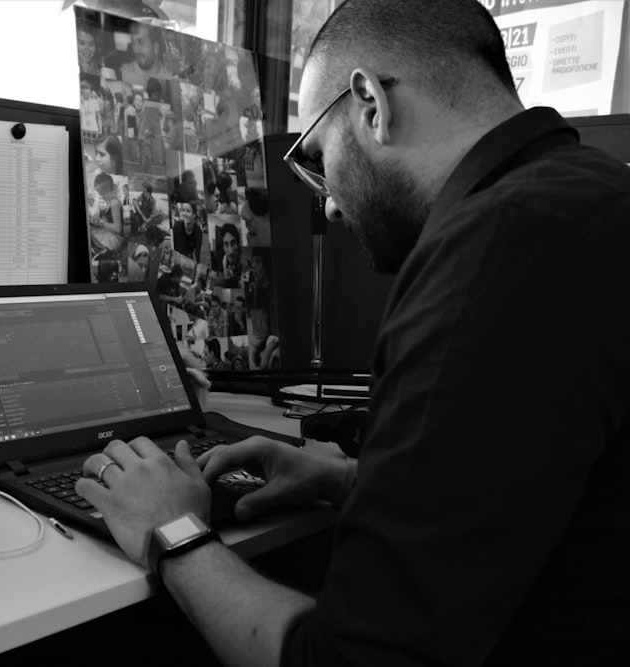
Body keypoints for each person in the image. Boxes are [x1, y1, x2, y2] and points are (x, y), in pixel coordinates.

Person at [74, 0, 630, 665]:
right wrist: (348, 478)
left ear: (370, 103)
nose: (330, 203)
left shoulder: (494, 257)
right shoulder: (591, 199)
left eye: (315, 155)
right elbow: (531, 477)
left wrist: (173, 529)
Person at [120, 22, 172, 87]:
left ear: (156, 48)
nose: (135, 50)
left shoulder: (168, 80)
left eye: (141, 42)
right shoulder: (124, 71)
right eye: (133, 43)